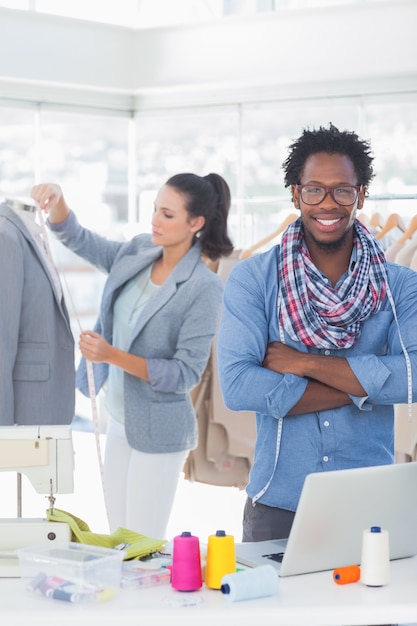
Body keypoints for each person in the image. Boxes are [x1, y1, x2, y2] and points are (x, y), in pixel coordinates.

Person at [217, 123, 417, 542]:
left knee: (377, 610)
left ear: (361, 195)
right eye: (314, 189)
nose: (328, 203)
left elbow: (413, 378)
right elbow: (238, 387)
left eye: (342, 190)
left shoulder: (400, 285)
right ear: (295, 194)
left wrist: (305, 364)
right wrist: (365, 386)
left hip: (371, 500)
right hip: (279, 502)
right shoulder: (254, 278)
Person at [31, 173, 233, 539]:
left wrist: (111, 355)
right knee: (116, 537)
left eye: (168, 215)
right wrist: (58, 200)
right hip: (119, 420)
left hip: (159, 431)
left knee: (141, 543)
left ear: (196, 223)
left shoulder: (203, 288)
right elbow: (80, 240)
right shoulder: (138, 251)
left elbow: (185, 373)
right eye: (156, 209)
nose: (155, 220)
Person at [0, 198, 75, 426]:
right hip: (24, 410)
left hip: (45, 400)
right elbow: (3, 337)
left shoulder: (32, 234)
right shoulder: (6, 237)